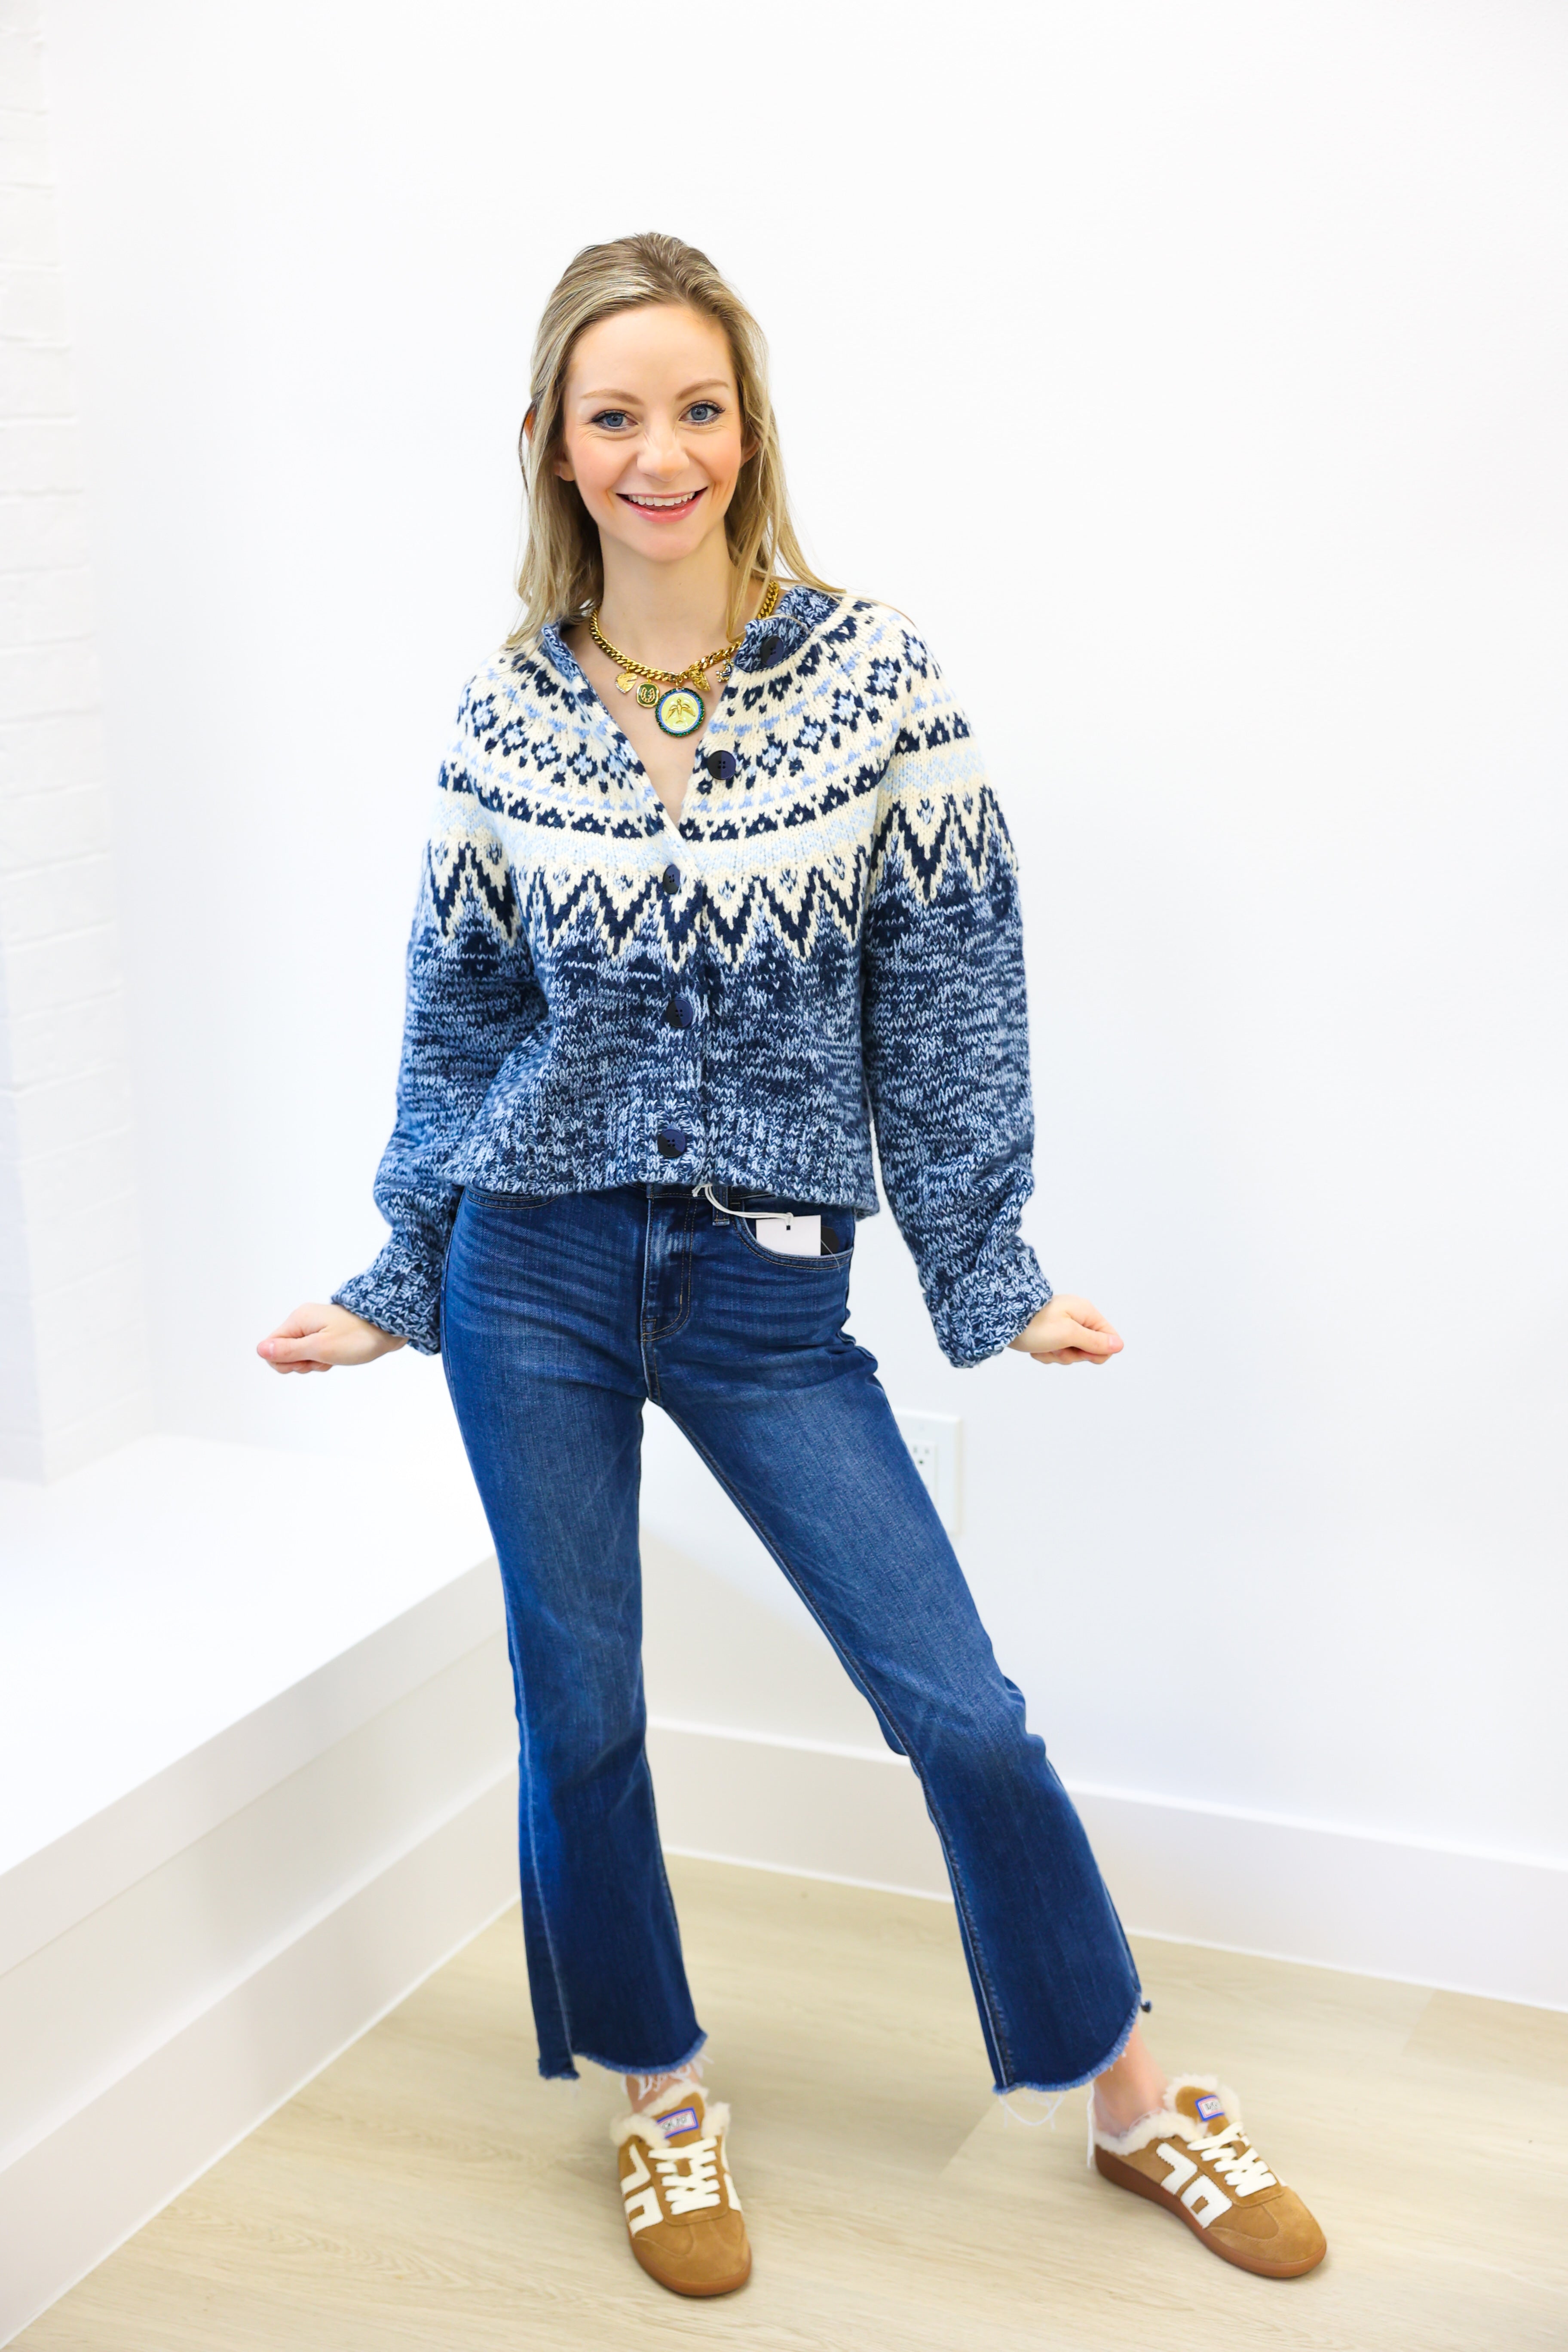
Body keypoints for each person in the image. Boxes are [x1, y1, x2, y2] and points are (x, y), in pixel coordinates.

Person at [259, 232, 1325, 2296]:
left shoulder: (872, 674)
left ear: (747, 431)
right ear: (559, 456)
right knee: (581, 1708)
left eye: (699, 407)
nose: (663, 451)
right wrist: (402, 1264)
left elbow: (946, 990)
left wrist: (986, 1259)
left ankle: (1128, 2096)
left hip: (767, 1294)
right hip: (534, 1273)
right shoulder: (503, 711)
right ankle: (660, 2097)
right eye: (616, 415)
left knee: (963, 1709)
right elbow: (461, 1018)